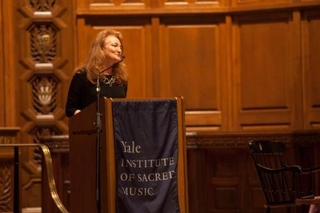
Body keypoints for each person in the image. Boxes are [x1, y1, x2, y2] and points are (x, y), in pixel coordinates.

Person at [65, 29, 128, 117]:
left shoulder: (121, 78)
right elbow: (70, 109)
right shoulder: (83, 76)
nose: (119, 50)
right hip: (91, 128)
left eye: (120, 47)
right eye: (115, 46)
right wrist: (87, 118)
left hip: (116, 129)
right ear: (101, 48)